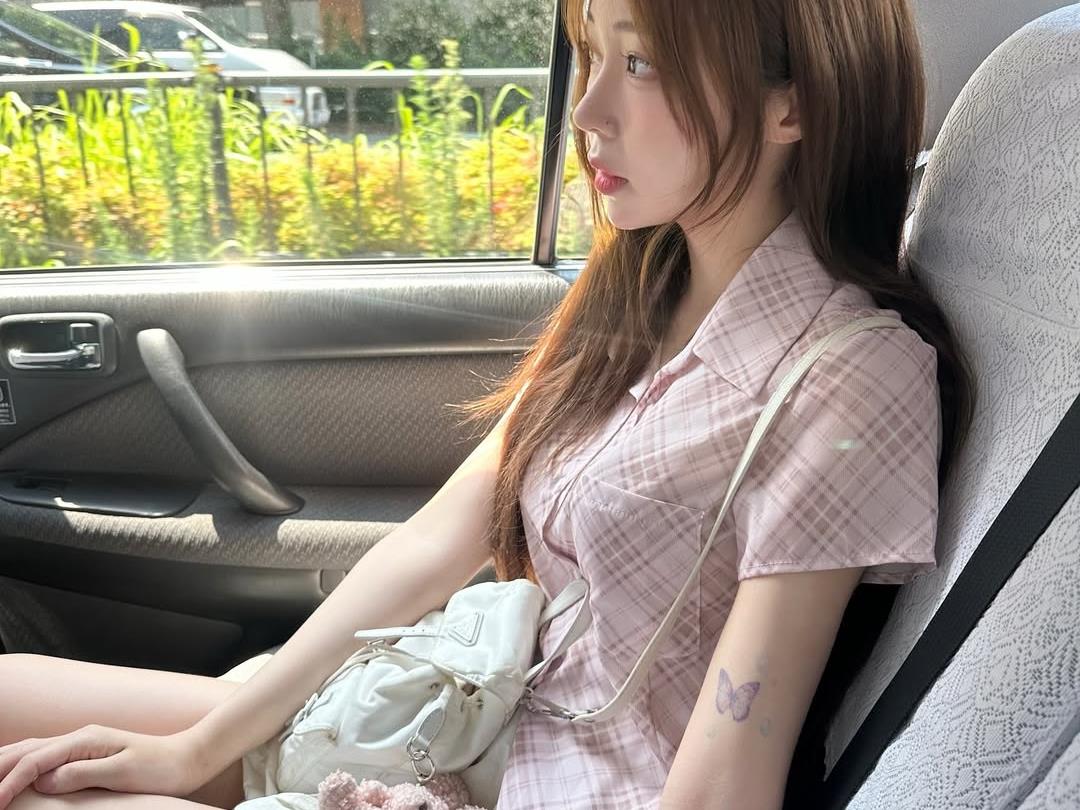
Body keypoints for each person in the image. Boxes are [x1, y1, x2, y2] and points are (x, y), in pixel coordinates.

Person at [0, 1, 974, 809]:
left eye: (640, 64)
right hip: (441, 712)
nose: (587, 110)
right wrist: (198, 747)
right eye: (591, 54)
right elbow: (434, 544)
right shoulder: (638, 295)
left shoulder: (848, 376)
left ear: (790, 106)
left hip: (540, 780)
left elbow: (726, 780)